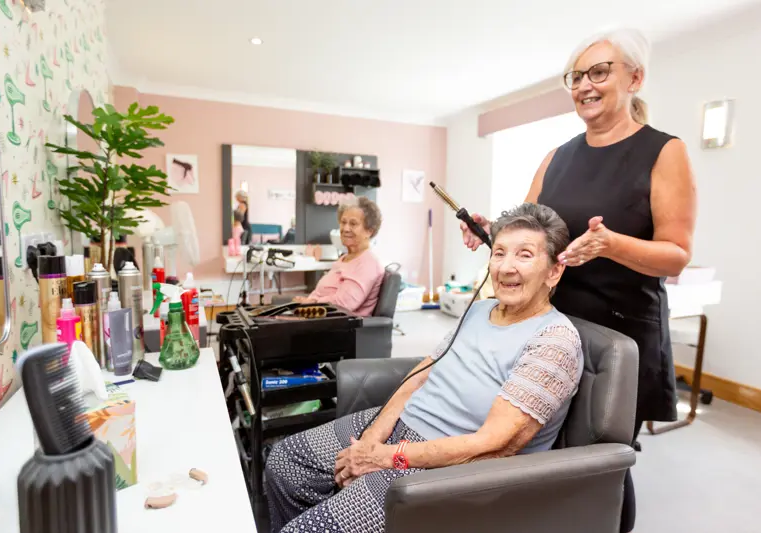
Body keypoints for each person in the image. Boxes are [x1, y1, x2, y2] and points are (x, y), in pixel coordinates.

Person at [461, 28, 696, 532]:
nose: (585, 85)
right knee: (542, 447)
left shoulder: (664, 151)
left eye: (599, 72)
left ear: (635, 78)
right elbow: (526, 228)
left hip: (618, 335)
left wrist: (611, 244)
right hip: (552, 329)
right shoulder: (557, 156)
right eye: (576, 76)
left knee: (600, 461)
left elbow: (676, 256)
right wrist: (489, 230)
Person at [267, 203, 584, 533]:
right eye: (499, 253)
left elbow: (495, 444)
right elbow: (422, 374)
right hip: (399, 431)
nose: (505, 268)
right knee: (286, 462)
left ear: (554, 271)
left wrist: (384, 457)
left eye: (524, 255)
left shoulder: (554, 341)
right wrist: (372, 439)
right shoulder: (480, 310)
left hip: (441, 466)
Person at [293, 197, 384, 317]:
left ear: (369, 231)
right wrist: (307, 301)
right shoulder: (345, 258)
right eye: (343, 222)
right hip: (319, 315)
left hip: (338, 322)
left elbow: (345, 304)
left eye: (353, 224)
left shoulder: (368, 263)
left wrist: (312, 302)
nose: (345, 228)